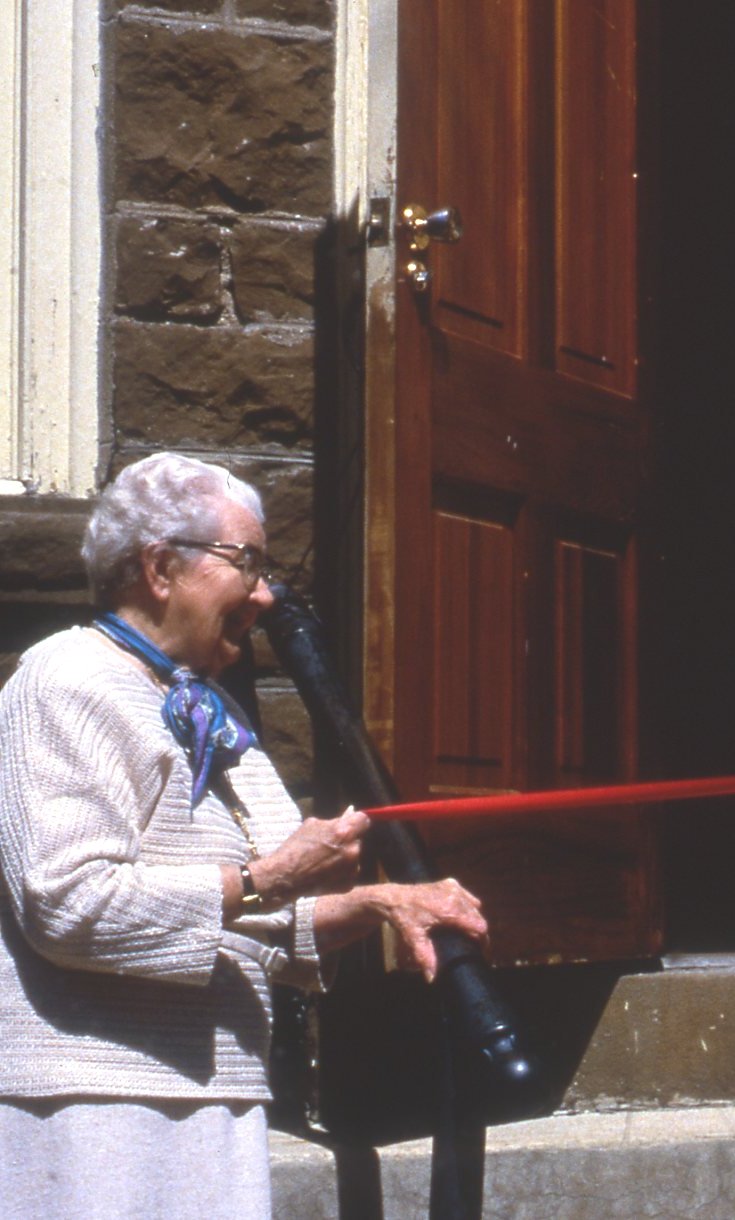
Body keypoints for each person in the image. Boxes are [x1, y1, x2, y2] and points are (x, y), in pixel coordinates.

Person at [0, 452, 488, 1220]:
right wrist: (272, 877)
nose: (264, 594)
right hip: (94, 1111)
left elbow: (247, 919)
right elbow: (67, 906)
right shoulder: (64, 680)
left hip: (214, 1094)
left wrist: (380, 905)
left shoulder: (207, 709)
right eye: (247, 563)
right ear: (159, 567)